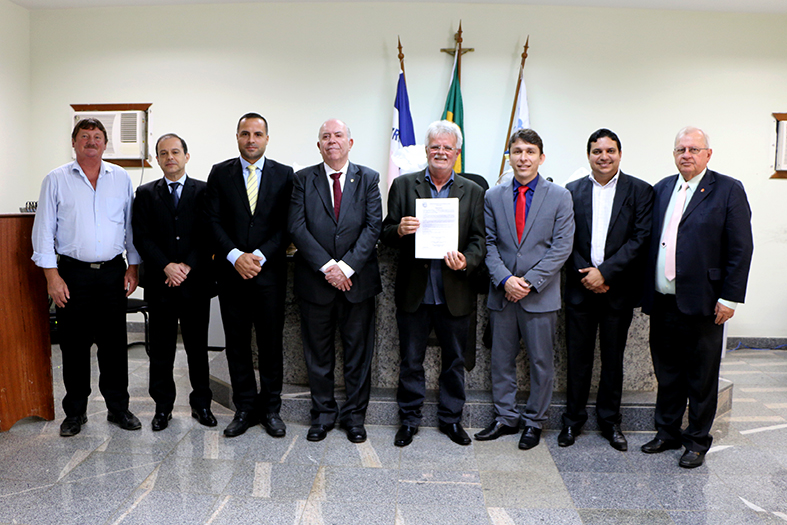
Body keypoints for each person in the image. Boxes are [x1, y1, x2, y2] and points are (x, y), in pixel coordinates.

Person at [641, 127, 753, 468]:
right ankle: (667, 432)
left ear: (708, 154)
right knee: (668, 372)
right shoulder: (661, 189)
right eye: (680, 149)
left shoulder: (727, 189)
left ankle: (697, 440)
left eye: (693, 149)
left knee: (702, 376)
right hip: (664, 300)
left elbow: (741, 248)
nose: (686, 154)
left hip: (705, 303)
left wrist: (729, 299)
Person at [32, 118, 141, 437]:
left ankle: (118, 408)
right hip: (72, 275)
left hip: (112, 273)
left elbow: (130, 226)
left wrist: (132, 267)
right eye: (84, 136)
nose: (91, 141)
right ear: (74, 142)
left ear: (106, 144)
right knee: (74, 346)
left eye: (97, 136)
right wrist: (52, 277)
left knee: (114, 346)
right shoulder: (56, 179)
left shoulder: (120, 177)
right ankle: (76, 412)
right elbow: (43, 232)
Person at [382, 120, 486, 447]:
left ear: (457, 153)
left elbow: (480, 241)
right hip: (415, 290)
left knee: (454, 360)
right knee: (410, 359)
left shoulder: (474, 191)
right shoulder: (402, 185)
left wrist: (467, 260)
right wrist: (399, 230)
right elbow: (385, 235)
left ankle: (451, 420)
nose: (440, 152)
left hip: (454, 289)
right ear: (426, 151)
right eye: (435, 147)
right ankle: (409, 420)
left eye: (447, 147)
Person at [475, 128, 574, 450]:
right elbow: (488, 244)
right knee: (500, 361)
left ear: (541, 157)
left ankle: (534, 421)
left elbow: (561, 247)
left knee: (541, 362)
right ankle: (506, 418)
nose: (523, 158)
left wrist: (528, 282)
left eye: (530, 152)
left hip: (540, 296)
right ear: (510, 156)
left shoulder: (560, 196)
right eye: (517, 151)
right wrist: (506, 280)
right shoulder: (493, 196)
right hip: (502, 295)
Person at [288, 119, 382, 443]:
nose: (332, 141)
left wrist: (348, 268)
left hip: (358, 284)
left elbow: (373, 227)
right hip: (316, 283)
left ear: (350, 143)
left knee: (358, 355)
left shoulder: (368, 178)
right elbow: (297, 227)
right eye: (325, 137)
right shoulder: (302, 179)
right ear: (319, 146)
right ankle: (323, 415)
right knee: (318, 355)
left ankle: (355, 418)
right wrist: (330, 267)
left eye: (338, 135)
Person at [560, 129, 654, 450]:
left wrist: (605, 273)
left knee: (612, 361)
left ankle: (610, 422)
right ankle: (572, 422)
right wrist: (587, 274)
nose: (604, 156)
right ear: (588, 155)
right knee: (578, 359)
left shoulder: (640, 191)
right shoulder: (571, 191)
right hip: (579, 288)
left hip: (617, 290)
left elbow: (640, 240)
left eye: (610, 150)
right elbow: (565, 239)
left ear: (620, 153)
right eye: (597, 151)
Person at [204, 113, 293, 438]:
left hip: (269, 275)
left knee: (271, 345)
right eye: (245, 133)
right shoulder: (220, 173)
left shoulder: (284, 175)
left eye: (257, 134)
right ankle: (244, 408)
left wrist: (260, 256)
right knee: (237, 344)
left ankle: (271, 410)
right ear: (237, 137)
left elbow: (287, 225)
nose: (251, 139)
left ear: (267, 138)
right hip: (232, 275)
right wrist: (235, 256)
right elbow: (212, 221)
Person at [132, 133, 217, 431]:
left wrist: (187, 265)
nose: (170, 157)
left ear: (186, 156)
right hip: (160, 284)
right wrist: (167, 266)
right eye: (164, 153)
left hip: (196, 284)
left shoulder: (205, 191)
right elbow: (141, 236)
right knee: (162, 348)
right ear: (157, 159)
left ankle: (201, 404)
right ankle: (163, 407)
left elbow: (209, 233)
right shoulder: (144, 194)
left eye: (176, 152)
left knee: (197, 347)